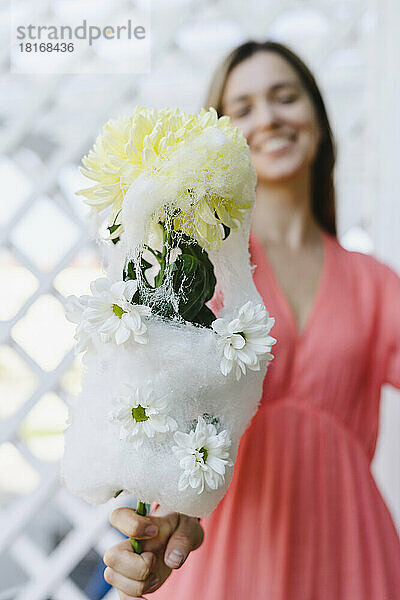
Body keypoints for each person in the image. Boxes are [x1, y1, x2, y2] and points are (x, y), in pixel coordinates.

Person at [101, 41, 400, 599]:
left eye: (285, 97)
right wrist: (167, 518)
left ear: (317, 118)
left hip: (352, 558)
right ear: (219, 139)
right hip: (217, 555)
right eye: (243, 107)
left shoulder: (377, 285)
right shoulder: (191, 270)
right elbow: (158, 414)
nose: (268, 118)